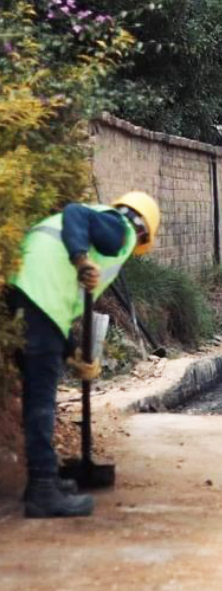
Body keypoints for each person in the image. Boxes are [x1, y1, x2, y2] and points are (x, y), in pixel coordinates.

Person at [8, 192, 160, 518]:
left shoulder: (98, 224)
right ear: (143, 232)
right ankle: (42, 489)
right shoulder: (120, 227)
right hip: (39, 299)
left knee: (37, 393)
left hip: (23, 295)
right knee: (41, 400)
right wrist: (81, 258)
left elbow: (58, 304)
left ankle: (45, 479)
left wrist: (74, 354)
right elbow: (74, 211)